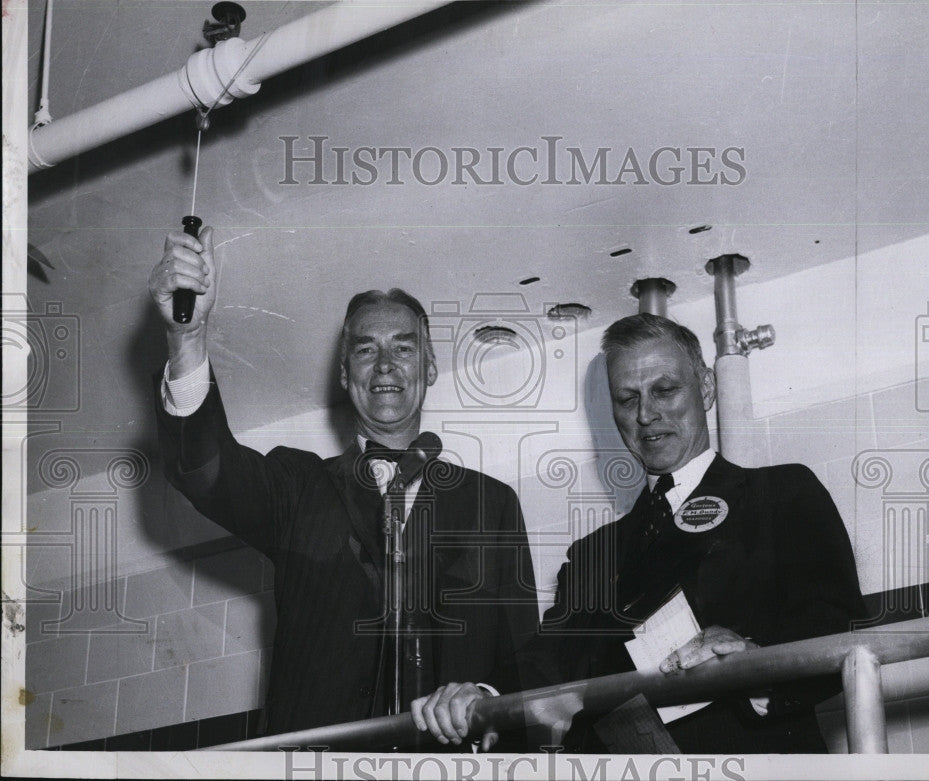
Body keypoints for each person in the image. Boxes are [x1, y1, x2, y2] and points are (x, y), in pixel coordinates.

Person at [147, 225, 538, 739]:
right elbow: (206, 469)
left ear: (431, 366)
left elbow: (523, 660)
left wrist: (483, 700)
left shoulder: (493, 505)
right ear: (343, 373)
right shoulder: (297, 485)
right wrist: (187, 337)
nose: (384, 365)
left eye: (403, 348)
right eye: (364, 350)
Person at [412, 313, 866, 753]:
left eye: (664, 390)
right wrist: (482, 694)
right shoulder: (593, 554)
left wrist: (753, 662)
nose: (646, 414)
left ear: (706, 387)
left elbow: (833, 626)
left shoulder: (780, 494)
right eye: (627, 399)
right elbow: (549, 659)